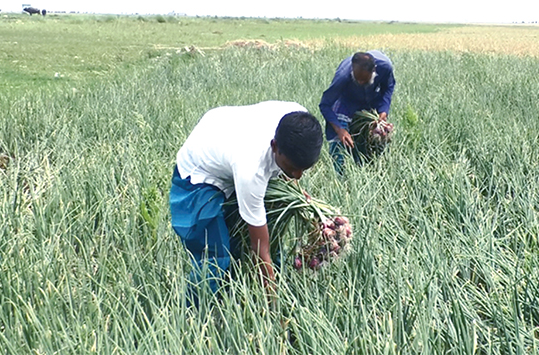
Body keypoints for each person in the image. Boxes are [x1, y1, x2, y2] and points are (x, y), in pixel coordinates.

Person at [169, 101, 323, 304]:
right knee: (216, 256)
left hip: (225, 132)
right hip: (200, 171)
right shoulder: (251, 169)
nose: (298, 175)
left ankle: (232, 298)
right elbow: (260, 248)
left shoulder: (299, 120)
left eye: (305, 168)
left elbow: (292, 170)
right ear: (274, 146)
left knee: (248, 242)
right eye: (293, 167)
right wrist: (272, 300)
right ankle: (191, 317)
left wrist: (296, 192)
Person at [319, 50, 395, 172]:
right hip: (346, 102)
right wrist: (340, 130)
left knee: (374, 138)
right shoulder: (343, 76)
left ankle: (367, 170)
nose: (360, 82)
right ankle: (340, 178)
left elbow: (388, 87)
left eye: (364, 80)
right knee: (340, 143)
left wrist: (383, 111)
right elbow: (325, 105)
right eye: (357, 79)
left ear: (374, 70)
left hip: (370, 101)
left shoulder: (385, 67)